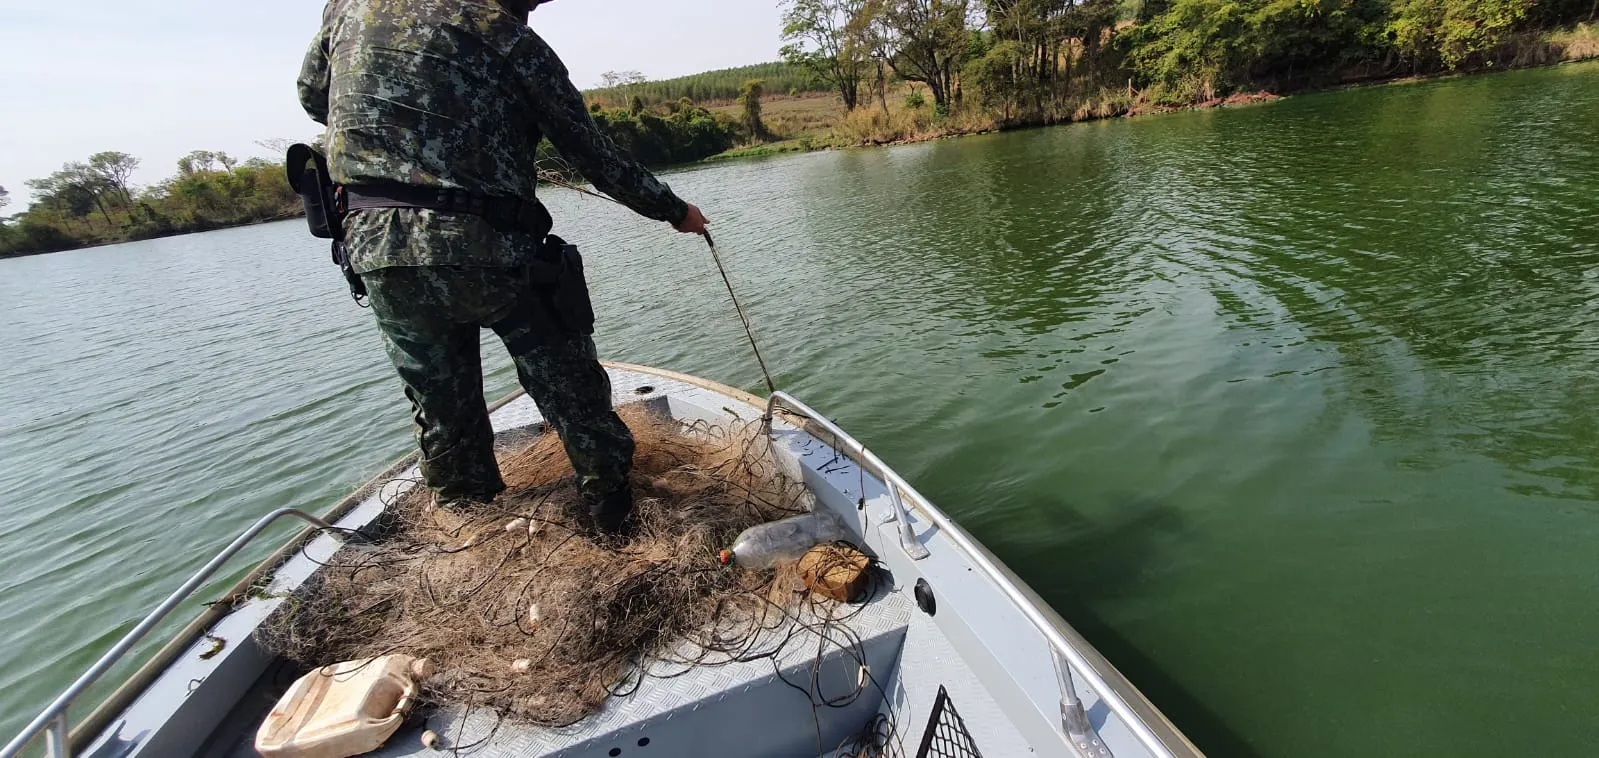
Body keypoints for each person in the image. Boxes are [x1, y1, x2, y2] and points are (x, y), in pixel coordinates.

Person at [296, 0, 708, 535]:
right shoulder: (511, 40)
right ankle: (614, 515)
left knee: (443, 409)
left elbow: (313, 97)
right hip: (493, 250)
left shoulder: (354, 7)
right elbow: (595, 155)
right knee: (573, 392)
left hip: (381, 251)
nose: (528, 13)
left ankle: (470, 531)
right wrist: (674, 211)